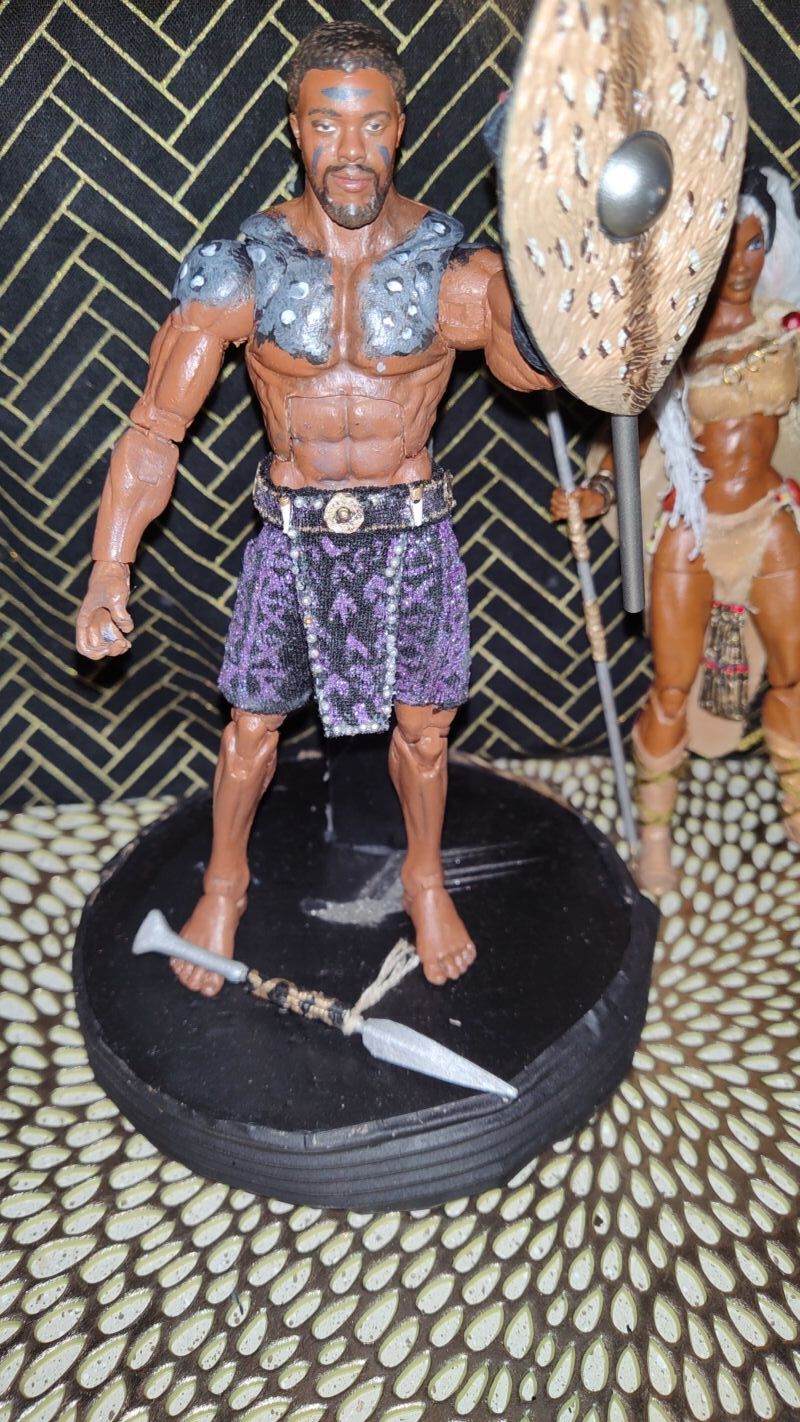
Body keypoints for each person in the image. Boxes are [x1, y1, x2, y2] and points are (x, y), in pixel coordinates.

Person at [76, 21, 554, 992]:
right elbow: (154, 429)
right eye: (327, 125)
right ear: (295, 128)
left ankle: (423, 878)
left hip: (411, 531)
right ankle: (225, 881)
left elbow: (534, 369)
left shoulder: (456, 271)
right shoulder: (243, 268)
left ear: (400, 127)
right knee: (251, 727)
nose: (350, 151)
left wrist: (566, 293)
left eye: (371, 125)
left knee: (425, 731)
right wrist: (108, 569)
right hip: (292, 538)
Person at [552, 167, 800, 894]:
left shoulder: (784, 328)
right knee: (671, 687)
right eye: (728, 247)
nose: (741, 264)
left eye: (754, 245)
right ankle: (655, 835)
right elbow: (629, 435)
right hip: (690, 526)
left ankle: (795, 805)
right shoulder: (671, 345)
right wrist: (598, 492)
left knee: (793, 676)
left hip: (769, 520)